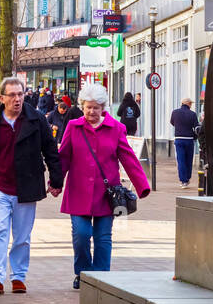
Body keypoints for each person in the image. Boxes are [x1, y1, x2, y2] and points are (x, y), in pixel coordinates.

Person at [0, 77, 62, 295]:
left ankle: (18, 276)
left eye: (20, 94)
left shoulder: (36, 119)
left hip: (26, 186)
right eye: (12, 95)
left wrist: (56, 180)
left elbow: (50, 150)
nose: (17, 99)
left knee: (22, 235)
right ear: (2, 98)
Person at [55, 82, 151, 289]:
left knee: (103, 237)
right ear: (82, 106)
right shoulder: (74, 127)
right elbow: (63, 157)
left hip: (106, 194)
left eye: (96, 107)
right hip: (78, 190)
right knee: (81, 235)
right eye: (88, 107)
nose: (91, 111)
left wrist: (142, 185)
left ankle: (100, 278)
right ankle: (83, 273)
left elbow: (128, 158)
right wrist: (56, 183)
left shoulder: (117, 129)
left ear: (103, 107)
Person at [170, 97, 199, 188]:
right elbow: (196, 127)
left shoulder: (175, 112)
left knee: (181, 160)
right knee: (188, 160)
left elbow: (172, 122)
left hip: (179, 139)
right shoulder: (193, 114)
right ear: (189, 104)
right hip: (189, 139)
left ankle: (183, 181)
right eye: (191, 104)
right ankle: (187, 178)